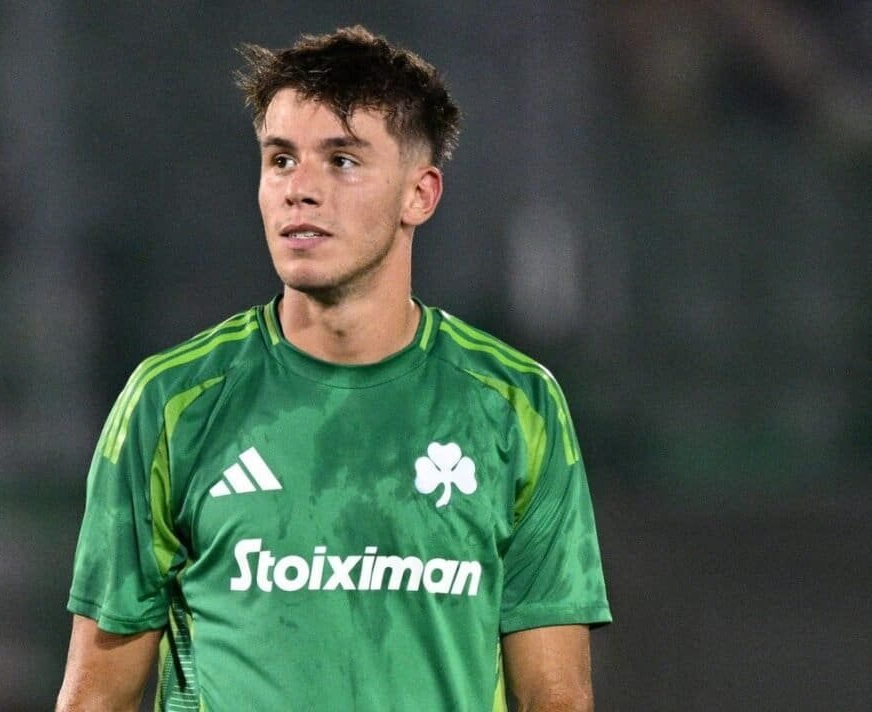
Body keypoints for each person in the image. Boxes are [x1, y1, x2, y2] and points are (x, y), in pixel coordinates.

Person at [56, 25, 611, 712]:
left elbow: (555, 697)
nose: (300, 190)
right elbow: (96, 698)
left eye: (342, 161)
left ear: (420, 194)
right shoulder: (172, 402)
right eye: (281, 160)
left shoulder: (514, 405)